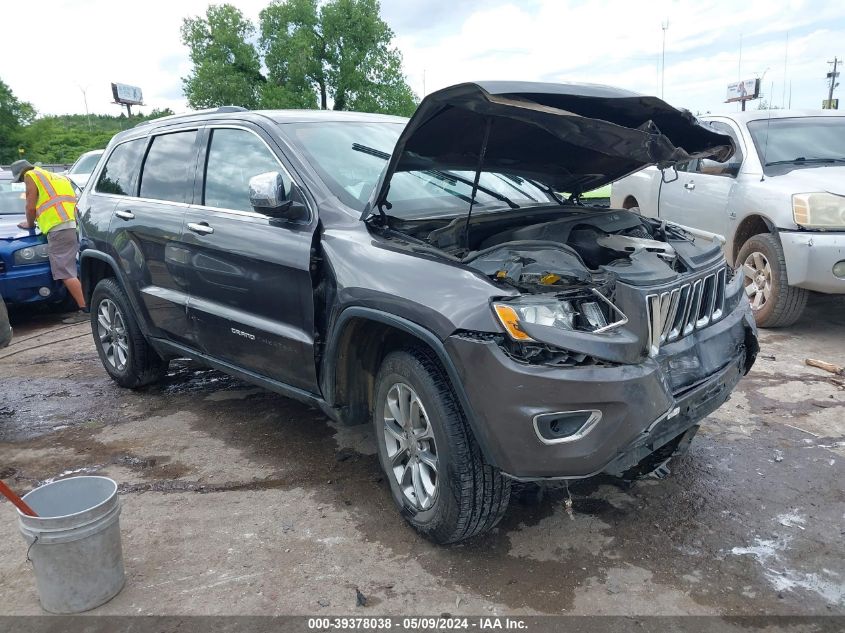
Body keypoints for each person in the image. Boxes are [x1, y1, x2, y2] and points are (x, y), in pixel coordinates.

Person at [10, 159, 88, 324]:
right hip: (69, 224)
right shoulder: (54, 176)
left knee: (65, 271)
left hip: (57, 227)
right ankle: (87, 305)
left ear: (22, 173)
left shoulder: (31, 175)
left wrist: (30, 224)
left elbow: (30, 207)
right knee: (71, 268)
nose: (23, 182)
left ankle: (85, 309)